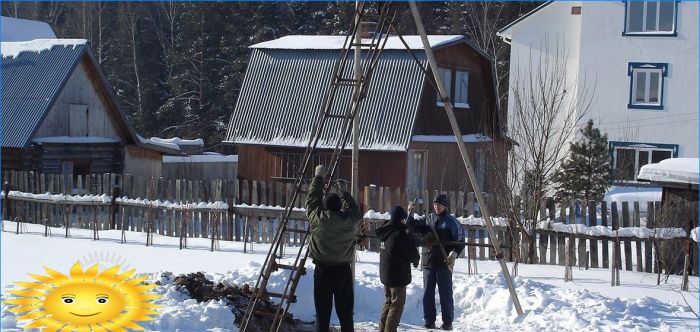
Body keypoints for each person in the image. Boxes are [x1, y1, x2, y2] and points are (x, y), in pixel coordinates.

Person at [306, 165, 362, 332]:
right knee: (345, 314)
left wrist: (318, 177)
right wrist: (344, 192)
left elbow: (311, 200)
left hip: (322, 270)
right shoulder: (348, 220)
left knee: (322, 315)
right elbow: (355, 211)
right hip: (343, 272)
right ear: (340, 207)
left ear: (325, 206)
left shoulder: (318, 217)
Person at [407, 194, 464, 330]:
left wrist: (454, 255)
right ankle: (429, 321)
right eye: (434, 204)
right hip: (428, 261)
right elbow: (411, 227)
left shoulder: (452, 222)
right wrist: (410, 212)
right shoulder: (427, 219)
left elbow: (460, 242)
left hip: (444, 263)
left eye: (439, 204)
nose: (436, 207)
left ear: (445, 206)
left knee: (445, 293)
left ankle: (448, 322)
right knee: (427, 294)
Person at [374, 206, 420, 332]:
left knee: (388, 302)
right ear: (400, 219)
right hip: (397, 276)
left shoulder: (386, 231)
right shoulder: (399, 234)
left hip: (386, 274)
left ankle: (382, 329)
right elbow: (412, 254)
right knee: (396, 306)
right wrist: (416, 258)